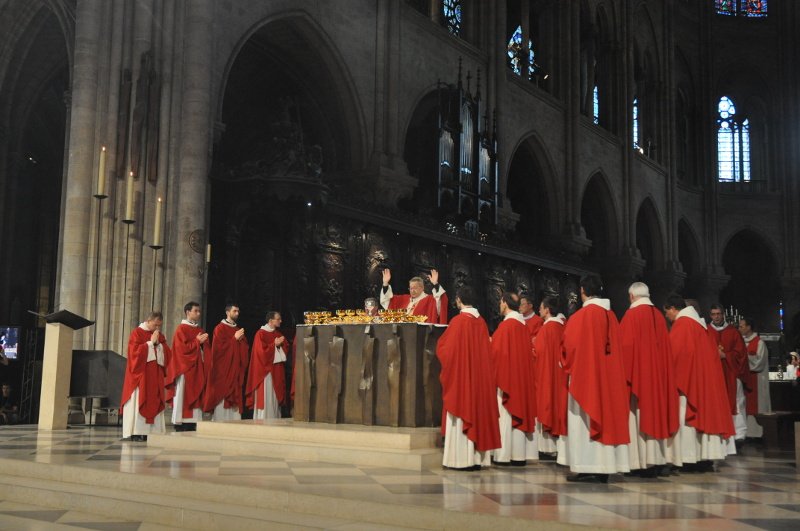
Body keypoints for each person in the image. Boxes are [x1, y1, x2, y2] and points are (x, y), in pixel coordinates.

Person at [557, 275, 630, 483]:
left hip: (585, 379)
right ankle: (605, 466)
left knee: (583, 422)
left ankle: (586, 465)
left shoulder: (580, 317)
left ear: (582, 291)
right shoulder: (611, 316)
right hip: (608, 380)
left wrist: (563, 361)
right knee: (606, 416)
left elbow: (568, 347)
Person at [664, 295, 735, 470]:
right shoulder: (698, 324)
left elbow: (676, 355)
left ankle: (690, 458)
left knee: (687, 420)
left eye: (667, 312)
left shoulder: (683, 325)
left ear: (673, 308)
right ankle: (704, 458)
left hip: (689, 386)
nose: (667, 316)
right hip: (704, 382)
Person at [437, 286, 501, 469]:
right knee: (476, 412)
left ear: (458, 300)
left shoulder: (458, 322)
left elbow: (446, 351)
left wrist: (440, 347)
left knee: (460, 413)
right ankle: (477, 459)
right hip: (478, 381)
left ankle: (460, 460)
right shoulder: (481, 323)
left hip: (462, 381)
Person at [619, 283, 679, 476]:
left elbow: (625, 348)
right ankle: (657, 459)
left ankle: (640, 463)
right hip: (657, 378)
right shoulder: (659, 317)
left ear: (631, 296)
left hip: (638, 378)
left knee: (637, 416)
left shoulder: (632, 315)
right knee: (656, 413)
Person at [491, 292, 537, 466]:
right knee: (519, 411)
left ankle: (503, 455)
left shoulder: (506, 327)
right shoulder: (522, 326)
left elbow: (497, 353)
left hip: (507, 378)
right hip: (521, 378)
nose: (499, 305)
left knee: (505, 414)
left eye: (500, 302)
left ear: (505, 304)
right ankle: (518, 456)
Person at [120, 311, 170, 441]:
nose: (157, 328)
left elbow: (167, 353)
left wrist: (159, 345)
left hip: (154, 376)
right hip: (141, 377)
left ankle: (152, 432)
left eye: (159, 326)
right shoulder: (137, 333)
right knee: (138, 401)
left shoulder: (159, 336)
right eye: (155, 325)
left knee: (154, 400)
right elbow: (133, 354)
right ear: (148, 321)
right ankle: (136, 432)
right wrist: (150, 343)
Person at [707, 304, 748, 442]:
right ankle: (718, 433)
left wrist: (725, 355)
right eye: (713, 314)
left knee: (736, 402)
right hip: (713, 374)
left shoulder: (733, 332)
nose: (716, 316)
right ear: (710, 315)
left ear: (723, 314)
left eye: (718, 314)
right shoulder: (706, 331)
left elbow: (741, 353)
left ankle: (739, 435)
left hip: (731, 373)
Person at [533, 296, 567, 457]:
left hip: (546, 373)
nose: (539, 310)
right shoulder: (563, 327)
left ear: (547, 310)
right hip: (560, 375)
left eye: (541, 307)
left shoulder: (546, 329)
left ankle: (546, 448)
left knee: (547, 403)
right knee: (558, 405)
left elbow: (537, 351)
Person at [166, 302, 209, 432]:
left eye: (199, 311)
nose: (198, 313)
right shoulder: (181, 329)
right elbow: (181, 350)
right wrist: (197, 342)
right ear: (187, 312)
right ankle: (180, 422)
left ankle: (192, 422)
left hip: (196, 368)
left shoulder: (199, 330)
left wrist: (204, 345)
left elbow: (205, 350)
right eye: (196, 311)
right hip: (184, 368)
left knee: (196, 392)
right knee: (182, 394)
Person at [204, 304, 249, 421]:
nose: (237, 313)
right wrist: (234, 339)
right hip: (223, 369)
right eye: (235, 311)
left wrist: (239, 341)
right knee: (222, 394)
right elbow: (218, 350)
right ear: (227, 312)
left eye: (238, 311)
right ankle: (220, 420)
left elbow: (244, 350)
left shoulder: (237, 329)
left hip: (235, 370)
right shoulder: (220, 328)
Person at [246, 311, 288, 419]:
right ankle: (263, 420)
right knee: (266, 397)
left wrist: (279, 346)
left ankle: (275, 419)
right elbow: (261, 353)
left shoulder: (278, 334)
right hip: (264, 372)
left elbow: (286, 349)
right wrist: (274, 344)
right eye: (278, 319)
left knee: (274, 397)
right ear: (270, 321)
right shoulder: (260, 334)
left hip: (276, 371)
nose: (281, 321)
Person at [738, 317, 771, 438]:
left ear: (749, 327)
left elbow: (759, 363)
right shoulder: (740, 342)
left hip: (756, 379)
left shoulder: (759, 343)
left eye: (741, 326)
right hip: (743, 380)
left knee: (756, 406)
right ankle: (745, 433)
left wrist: (744, 357)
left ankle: (757, 434)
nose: (739, 328)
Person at [380, 268, 448, 324]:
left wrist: (436, 284)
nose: (412, 291)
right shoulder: (404, 299)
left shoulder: (429, 299)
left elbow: (441, 300)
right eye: (411, 288)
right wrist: (385, 283)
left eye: (415, 288)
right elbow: (387, 300)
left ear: (422, 288)